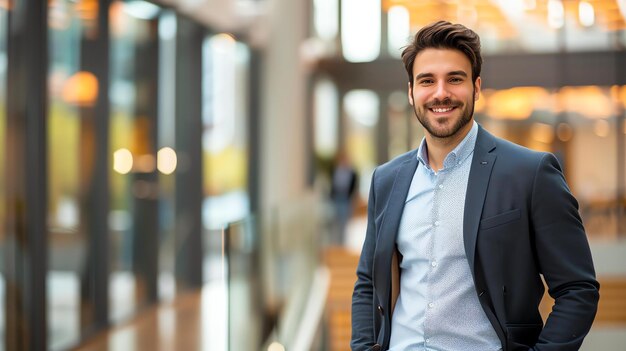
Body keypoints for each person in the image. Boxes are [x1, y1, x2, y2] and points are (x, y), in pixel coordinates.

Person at [350, 21, 599, 351]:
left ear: (477, 87)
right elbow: (368, 282)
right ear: (411, 92)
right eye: (427, 81)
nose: (441, 92)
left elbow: (578, 288)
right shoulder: (387, 179)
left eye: (455, 79)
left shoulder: (530, 173)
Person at [329, 151, 358, 245]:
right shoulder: (336, 170)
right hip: (337, 198)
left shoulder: (352, 172)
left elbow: (353, 187)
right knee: (335, 221)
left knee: (344, 222)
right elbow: (333, 185)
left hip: (346, 199)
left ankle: (342, 243)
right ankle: (335, 242)